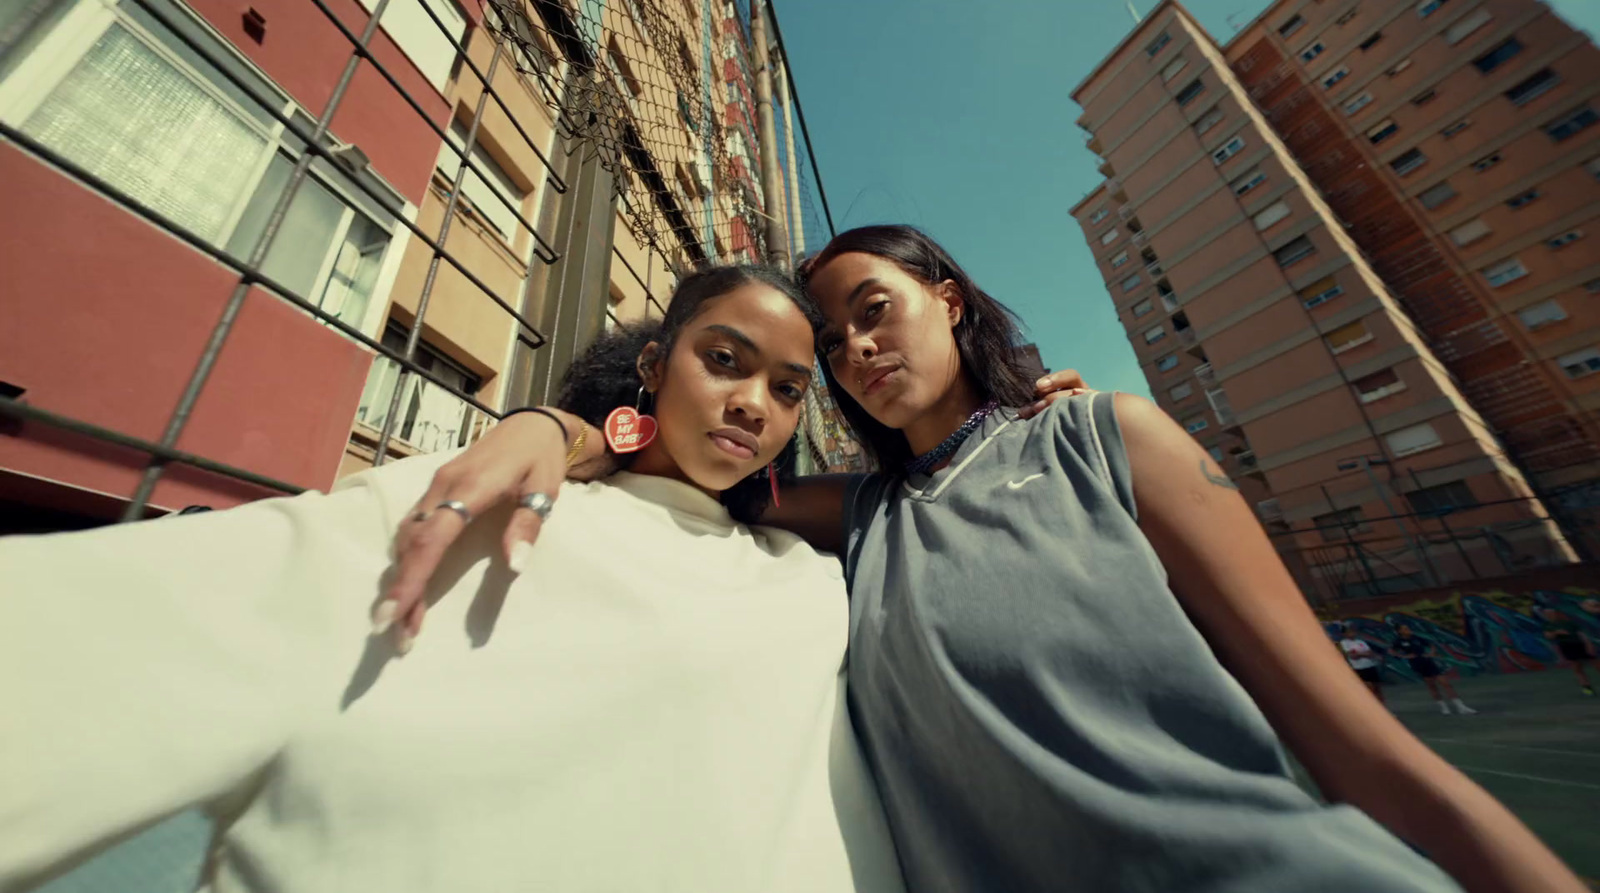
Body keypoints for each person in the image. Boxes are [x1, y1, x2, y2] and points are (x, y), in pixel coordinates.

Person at [379, 226, 1585, 893]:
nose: (851, 349)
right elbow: (681, 448)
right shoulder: (851, 514)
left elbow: (1364, 751)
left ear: (947, 299)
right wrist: (548, 424)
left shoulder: (1111, 436)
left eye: (871, 308)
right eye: (824, 350)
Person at [0, 266, 904, 893]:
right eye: (724, 359)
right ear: (653, 364)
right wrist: (560, 431)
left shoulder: (810, 580)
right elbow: (81, 654)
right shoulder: (460, 509)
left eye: (789, 389)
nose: (755, 402)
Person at [1391, 624, 1475, 715]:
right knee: (1432, 686)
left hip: (1428, 662)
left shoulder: (1416, 638)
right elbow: (1391, 651)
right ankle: (1444, 707)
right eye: (1405, 629)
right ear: (1400, 631)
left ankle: (1461, 707)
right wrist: (1404, 656)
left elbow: (1431, 645)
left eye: (1408, 628)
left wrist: (1431, 653)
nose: (1408, 629)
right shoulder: (1398, 641)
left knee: (1446, 683)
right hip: (1418, 664)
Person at [1540, 606, 1596, 696]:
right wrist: (1556, 632)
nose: (1549, 615)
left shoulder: (1568, 623)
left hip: (1579, 644)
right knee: (1577, 667)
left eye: (1551, 613)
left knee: (1596, 663)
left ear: (1556, 614)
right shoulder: (1547, 625)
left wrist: (1588, 644)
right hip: (1567, 646)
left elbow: (1582, 634)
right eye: (1547, 614)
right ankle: (1586, 687)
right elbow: (1548, 636)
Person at [1340, 623, 1386, 703]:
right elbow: (1353, 656)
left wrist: (1361, 654)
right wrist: (1364, 654)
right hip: (1360, 668)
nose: (1352, 633)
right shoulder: (1344, 643)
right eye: (1349, 631)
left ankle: (1383, 708)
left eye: (1353, 631)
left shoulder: (1361, 642)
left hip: (1370, 666)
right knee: (1369, 689)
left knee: (1377, 688)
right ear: (1344, 634)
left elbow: (1370, 652)